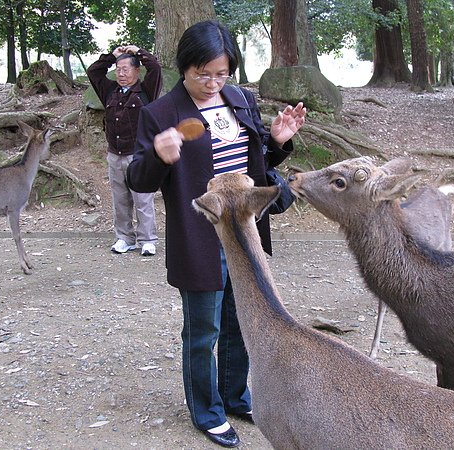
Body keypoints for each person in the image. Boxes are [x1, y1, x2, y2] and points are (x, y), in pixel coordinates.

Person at [126, 21, 306, 448]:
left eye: (221, 74)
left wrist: (278, 141)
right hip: (200, 238)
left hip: (245, 234)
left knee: (241, 321)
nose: (212, 83)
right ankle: (206, 411)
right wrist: (159, 156)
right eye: (202, 74)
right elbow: (138, 179)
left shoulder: (239, 99)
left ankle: (234, 395)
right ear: (184, 68)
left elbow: (256, 156)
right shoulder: (161, 114)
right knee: (203, 329)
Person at [87, 44, 162, 256]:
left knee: (143, 198)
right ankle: (124, 238)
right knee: (120, 199)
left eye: (126, 69)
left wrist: (138, 52)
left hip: (139, 155)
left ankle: (147, 240)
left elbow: (155, 68)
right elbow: (94, 71)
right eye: (118, 69)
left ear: (137, 71)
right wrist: (112, 56)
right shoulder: (110, 91)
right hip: (114, 154)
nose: (121, 73)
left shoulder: (146, 90)